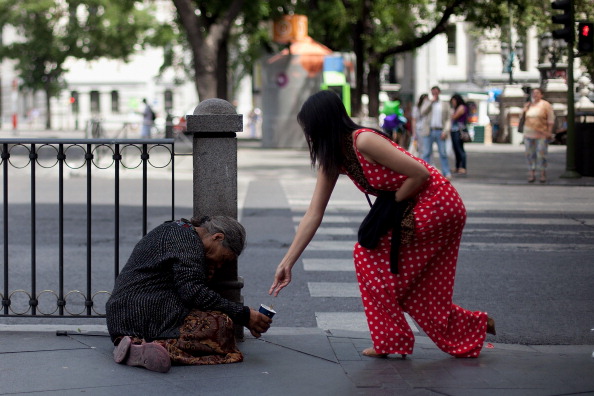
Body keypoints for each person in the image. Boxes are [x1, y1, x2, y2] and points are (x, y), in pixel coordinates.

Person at [269, 90, 495, 359]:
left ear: (323, 124)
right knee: (411, 291)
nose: (309, 137)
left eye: (310, 130)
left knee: (367, 257)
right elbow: (314, 214)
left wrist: (391, 206)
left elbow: (421, 173)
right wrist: (287, 262)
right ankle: (473, 325)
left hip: (436, 203)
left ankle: (392, 341)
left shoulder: (363, 141)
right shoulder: (334, 160)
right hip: (420, 206)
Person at [106, 216, 272, 373]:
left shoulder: (179, 230)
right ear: (217, 237)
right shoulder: (187, 242)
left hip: (129, 313)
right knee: (221, 325)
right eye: (223, 258)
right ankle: (153, 346)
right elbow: (193, 292)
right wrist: (243, 314)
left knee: (212, 321)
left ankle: (135, 346)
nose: (220, 264)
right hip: (141, 311)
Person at [521, 87, 555, 183]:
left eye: (537, 93)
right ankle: (531, 173)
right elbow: (523, 118)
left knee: (541, 154)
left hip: (542, 133)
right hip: (528, 133)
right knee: (529, 154)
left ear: (541, 95)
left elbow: (550, 119)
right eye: (533, 93)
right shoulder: (528, 105)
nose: (535, 95)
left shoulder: (545, 105)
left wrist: (549, 131)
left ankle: (542, 173)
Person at [419, 86, 452, 179]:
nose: (435, 95)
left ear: (439, 92)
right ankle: (423, 171)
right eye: (433, 93)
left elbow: (448, 119)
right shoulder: (427, 102)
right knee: (426, 152)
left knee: (443, 153)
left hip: (440, 130)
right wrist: (431, 102)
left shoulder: (444, 104)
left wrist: (446, 131)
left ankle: (446, 172)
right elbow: (422, 112)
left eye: (436, 93)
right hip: (429, 130)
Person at [449, 94, 468, 175]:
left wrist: (451, 113)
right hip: (454, 130)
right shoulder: (457, 108)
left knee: (460, 149)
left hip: (459, 130)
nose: (453, 103)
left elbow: (454, 117)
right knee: (456, 149)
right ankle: (457, 167)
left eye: (453, 101)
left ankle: (463, 167)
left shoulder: (461, 107)